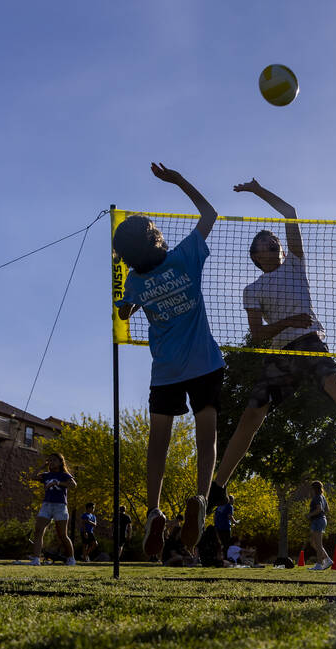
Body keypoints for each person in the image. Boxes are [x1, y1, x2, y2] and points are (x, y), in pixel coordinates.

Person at [206, 178, 336, 513]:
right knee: (252, 414)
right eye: (262, 241)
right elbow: (257, 334)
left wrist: (258, 190)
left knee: (335, 382)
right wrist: (287, 323)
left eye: (272, 238)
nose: (270, 240)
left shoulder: (294, 263)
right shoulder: (252, 289)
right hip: (281, 352)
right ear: (256, 256)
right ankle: (218, 485)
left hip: (309, 343)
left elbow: (290, 212)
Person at [113, 163, 225, 559]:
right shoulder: (185, 257)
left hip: (165, 373)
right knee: (206, 437)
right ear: (157, 238)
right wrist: (178, 181)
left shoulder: (135, 281)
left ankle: (153, 511)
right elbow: (210, 214)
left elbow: (124, 311)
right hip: (206, 365)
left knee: (156, 446)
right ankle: (199, 498)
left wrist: (126, 301)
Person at [30, 453, 76, 566]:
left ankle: (71, 559)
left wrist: (57, 483)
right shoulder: (46, 475)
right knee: (38, 530)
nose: (51, 462)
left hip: (60, 506)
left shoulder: (64, 475)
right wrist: (42, 467)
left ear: (60, 462)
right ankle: (36, 559)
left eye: (54, 460)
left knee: (62, 535)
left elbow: (73, 485)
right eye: (49, 460)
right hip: (46, 505)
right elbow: (32, 476)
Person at [307, 481, 333, 570]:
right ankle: (327, 559)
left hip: (318, 520)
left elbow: (319, 509)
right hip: (320, 520)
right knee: (313, 543)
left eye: (311, 488)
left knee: (318, 544)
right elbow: (327, 509)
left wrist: (310, 515)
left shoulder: (317, 497)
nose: (310, 490)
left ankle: (319, 564)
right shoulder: (322, 497)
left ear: (314, 489)